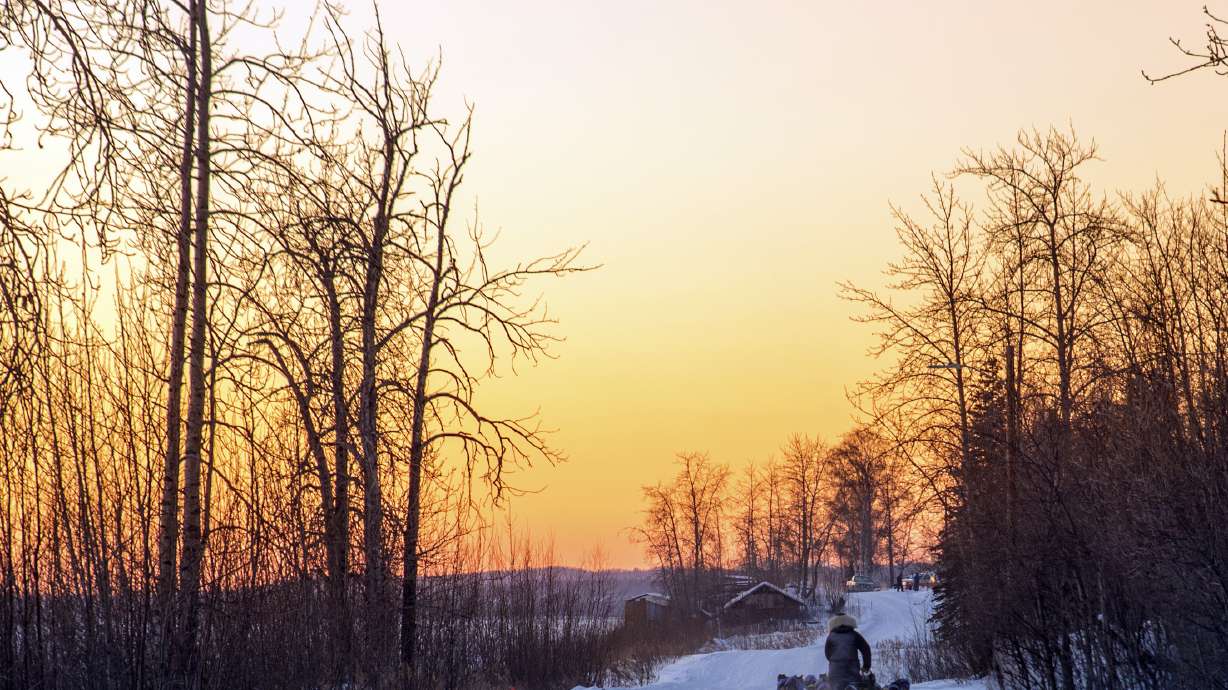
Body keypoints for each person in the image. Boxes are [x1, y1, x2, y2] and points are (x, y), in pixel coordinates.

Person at [824, 611, 871, 690]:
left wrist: (835, 661)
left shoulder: (831, 636)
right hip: (852, 669)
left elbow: (827, 654)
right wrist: (866, 666)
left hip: (835, 672)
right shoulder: (854, 635)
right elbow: (866, 649)